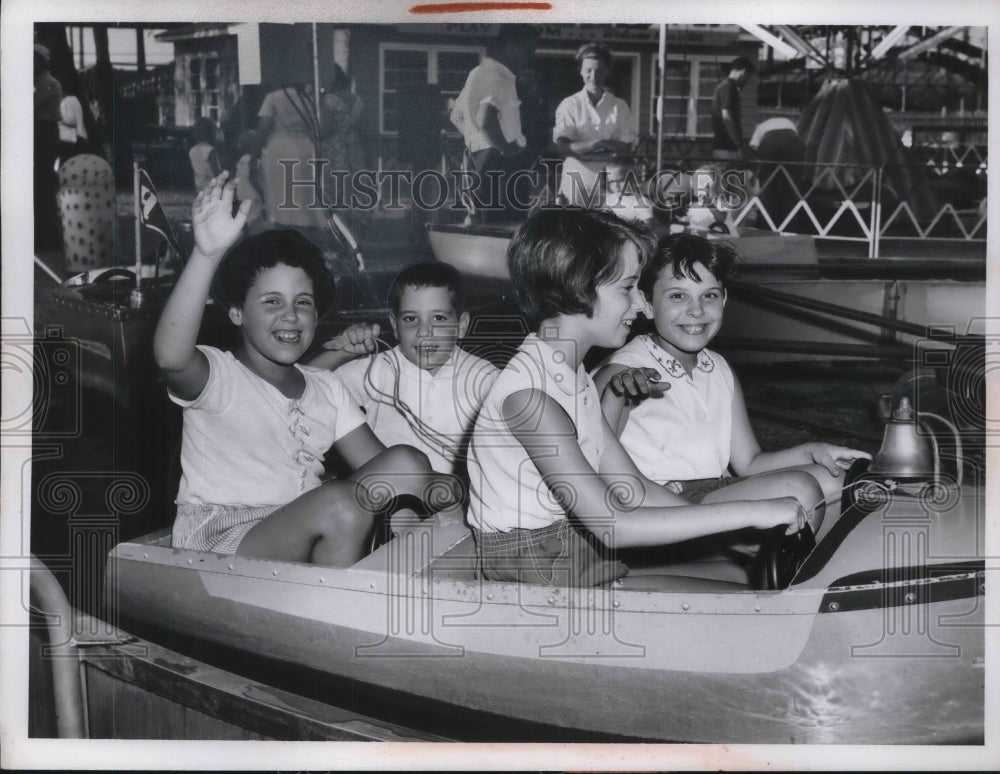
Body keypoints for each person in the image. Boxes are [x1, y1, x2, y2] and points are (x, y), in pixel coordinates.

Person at [465, 208, 809, 590]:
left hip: (575, 555)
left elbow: (633, 486)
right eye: (628, 289)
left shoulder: (568, 374)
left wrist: (735, 532)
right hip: (543, 574)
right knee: (752, 608)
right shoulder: (532, 399)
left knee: (754, 582)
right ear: (579, 287)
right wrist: (753, 512)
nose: (642, 306)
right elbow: (612, 526)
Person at [153, 173, 461, 566]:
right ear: (236, 312)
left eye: (302, 302)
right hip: (219, 538)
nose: (291, 316)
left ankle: (398, 569)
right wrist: (207, 255)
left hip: (298, 520)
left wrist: (453, 487)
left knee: (410, 462)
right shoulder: (218, 375)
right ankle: (333, 614)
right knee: (341, 505)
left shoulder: (325, 386)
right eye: (271, 302)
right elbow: (170, 357)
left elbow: (388, 468)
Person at [593, 234, 870, 545]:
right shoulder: (621, 374)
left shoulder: (718, 368)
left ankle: (807, 577)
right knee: (800, 487)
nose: (696, 311)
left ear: (724, 299)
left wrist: (813, 452)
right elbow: (591, 465)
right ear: (645, 303)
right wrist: (614, 395)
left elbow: (749, 462)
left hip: (713, 493)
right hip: (660, 509)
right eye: (677, 296)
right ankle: (782, 578)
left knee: (833, 480)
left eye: (709, 295)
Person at [312, 262, 499, 478]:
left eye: (438, 318)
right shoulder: (379, 368)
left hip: (455, 501)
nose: (424, 332)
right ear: (394, 326)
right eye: (411, 319)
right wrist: (343, 352)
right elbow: (306, 385)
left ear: (462, 325)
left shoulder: (486, 378)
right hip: (387, 497)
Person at [449, 25, 538, 221]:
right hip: (501, 164)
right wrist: (506, 148)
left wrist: (476, 144)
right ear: (512, 46)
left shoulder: (478, 72)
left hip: (479, 161)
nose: (530, 57)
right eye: (528, 50)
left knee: (482, 223)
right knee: (504, 227)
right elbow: (486, 119)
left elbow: (457, 116)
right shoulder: (498, 77)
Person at [553, 43, 637, 207]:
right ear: (580, 71)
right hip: (575, 181)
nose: (593, 76)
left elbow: (626, 147)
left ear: (607, 71)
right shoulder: (569, 104)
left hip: (612, 183)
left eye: (599, 70)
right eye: (589, 70)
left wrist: (582, 150)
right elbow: (563, 147)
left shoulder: (620, 106)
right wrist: (602, 144)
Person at [257, 83, 326, 228]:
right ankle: (305, 224)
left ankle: (282, 223)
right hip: (304, 146)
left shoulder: (273, 97)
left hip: (280, 146)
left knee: (280, 190)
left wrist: (257, 150)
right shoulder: (307, 99)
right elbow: (316, 125)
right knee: (304, 189)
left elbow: (264, 126)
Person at [320, 64, 366, 209]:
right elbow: (362, 126)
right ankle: (359, 216)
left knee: (335, 182)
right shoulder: (357, 100)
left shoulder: (329, 100)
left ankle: (337, 215)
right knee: (356, 179)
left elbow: (325, 127)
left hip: (334, 146)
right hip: (354, 143)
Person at [34, 44, 63, 251]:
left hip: (45, 132)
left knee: (43, 184)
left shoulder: (49, 84)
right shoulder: (40, 83)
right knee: (40, 185)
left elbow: (30, 104)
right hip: (41, 132)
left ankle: (49, 236)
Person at [711, 56, 755, 162]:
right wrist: (739, 144)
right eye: (749, 77)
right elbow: (727, 117)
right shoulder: (728, 88)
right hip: (727, 148)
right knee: (731, 177)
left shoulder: (723, 86)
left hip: (722, 146)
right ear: (743, 72)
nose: (748, 81)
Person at [233, 129, 267, 232]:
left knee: (248, 221)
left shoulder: (241, 160)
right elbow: (253, 178)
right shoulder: (253, 160)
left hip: (243, 196)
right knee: (256, 223)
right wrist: (263, 194)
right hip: (253, 196)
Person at [603, 159, 654, 223]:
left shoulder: (641, 203)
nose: (616, 186)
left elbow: (647, 227)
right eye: (611, 181)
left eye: (621, 180)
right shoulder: (610, 199)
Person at [188, 117, 223, 192]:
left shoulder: (192, 150)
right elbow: (216, 171)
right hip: (212, 187)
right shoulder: (210, 150)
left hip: (199, 187)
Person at [58, 83, 89, 163]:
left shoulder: (68, 100)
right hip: (78, 135)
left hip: (74, 137)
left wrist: (60, 121)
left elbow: (70, 119)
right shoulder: (72, 99)